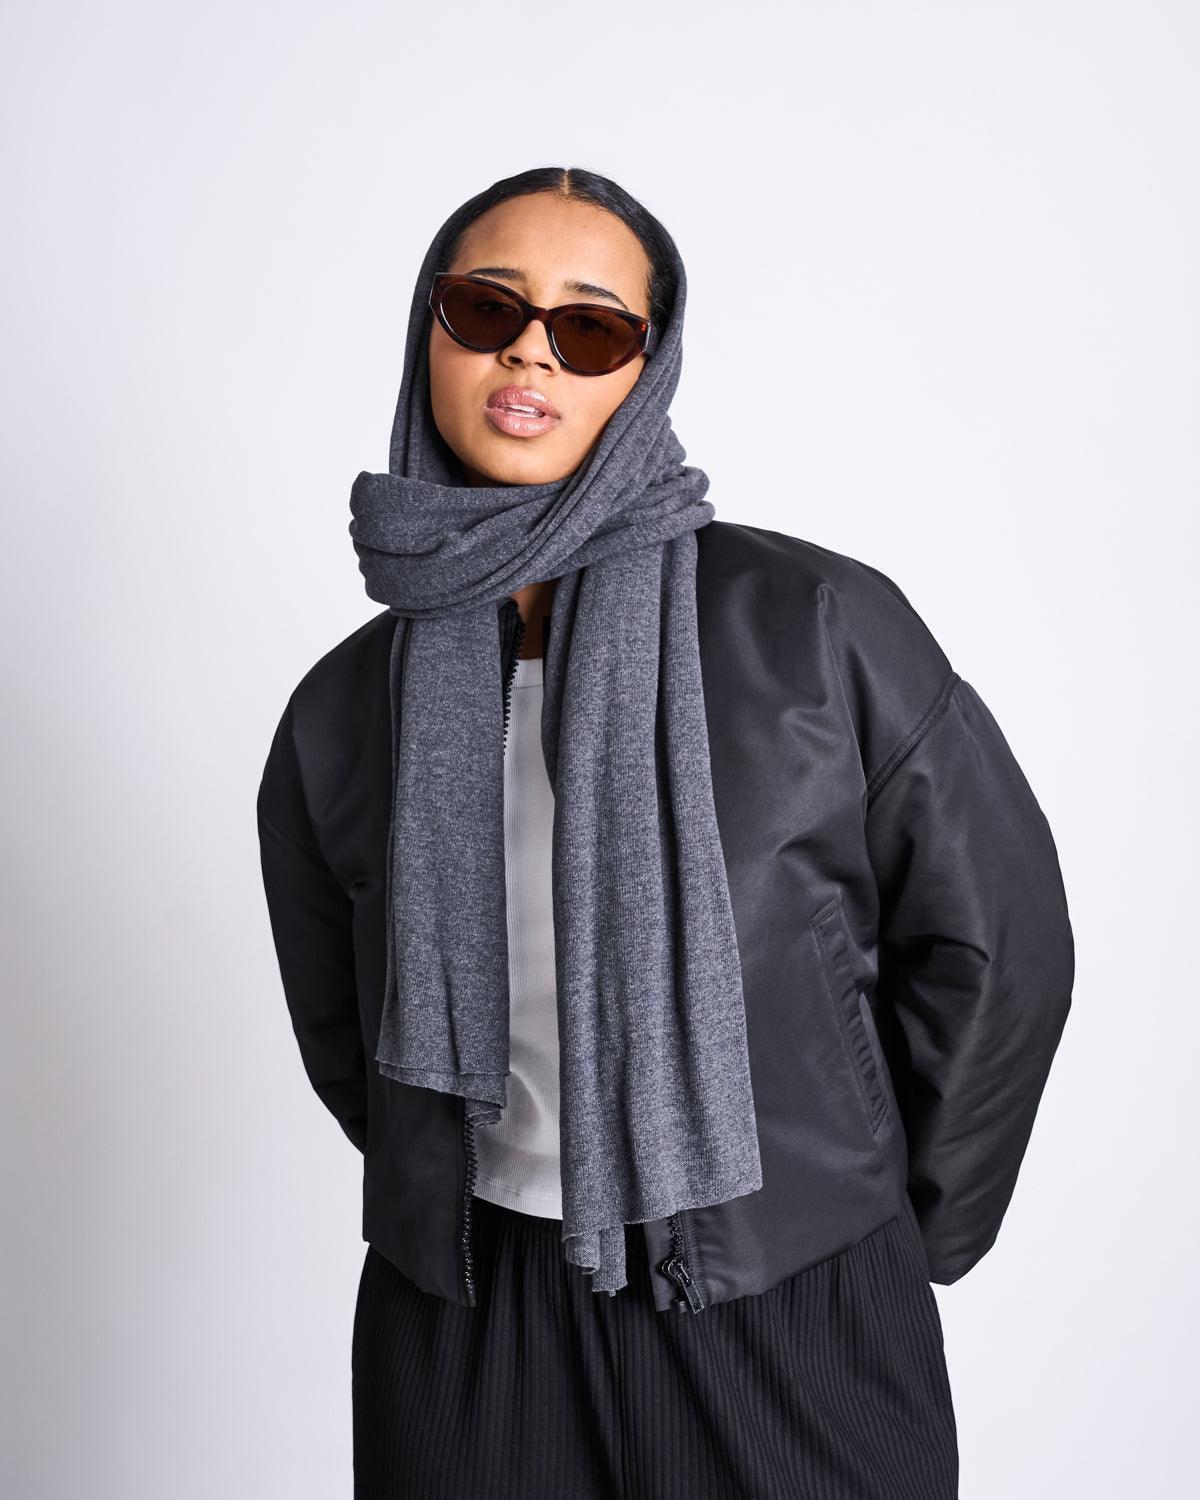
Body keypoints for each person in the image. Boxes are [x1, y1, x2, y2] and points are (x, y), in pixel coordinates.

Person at [256, 165, 1074, 1500]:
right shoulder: (346, 707)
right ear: (430, 332)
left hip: (787, 1296)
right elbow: (343, 1026)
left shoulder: (814, 628)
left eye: (589, 327)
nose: (531, 350)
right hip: (466, 1316)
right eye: (488, 309)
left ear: (646, 371)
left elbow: (999, 948)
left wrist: (873, 1230)